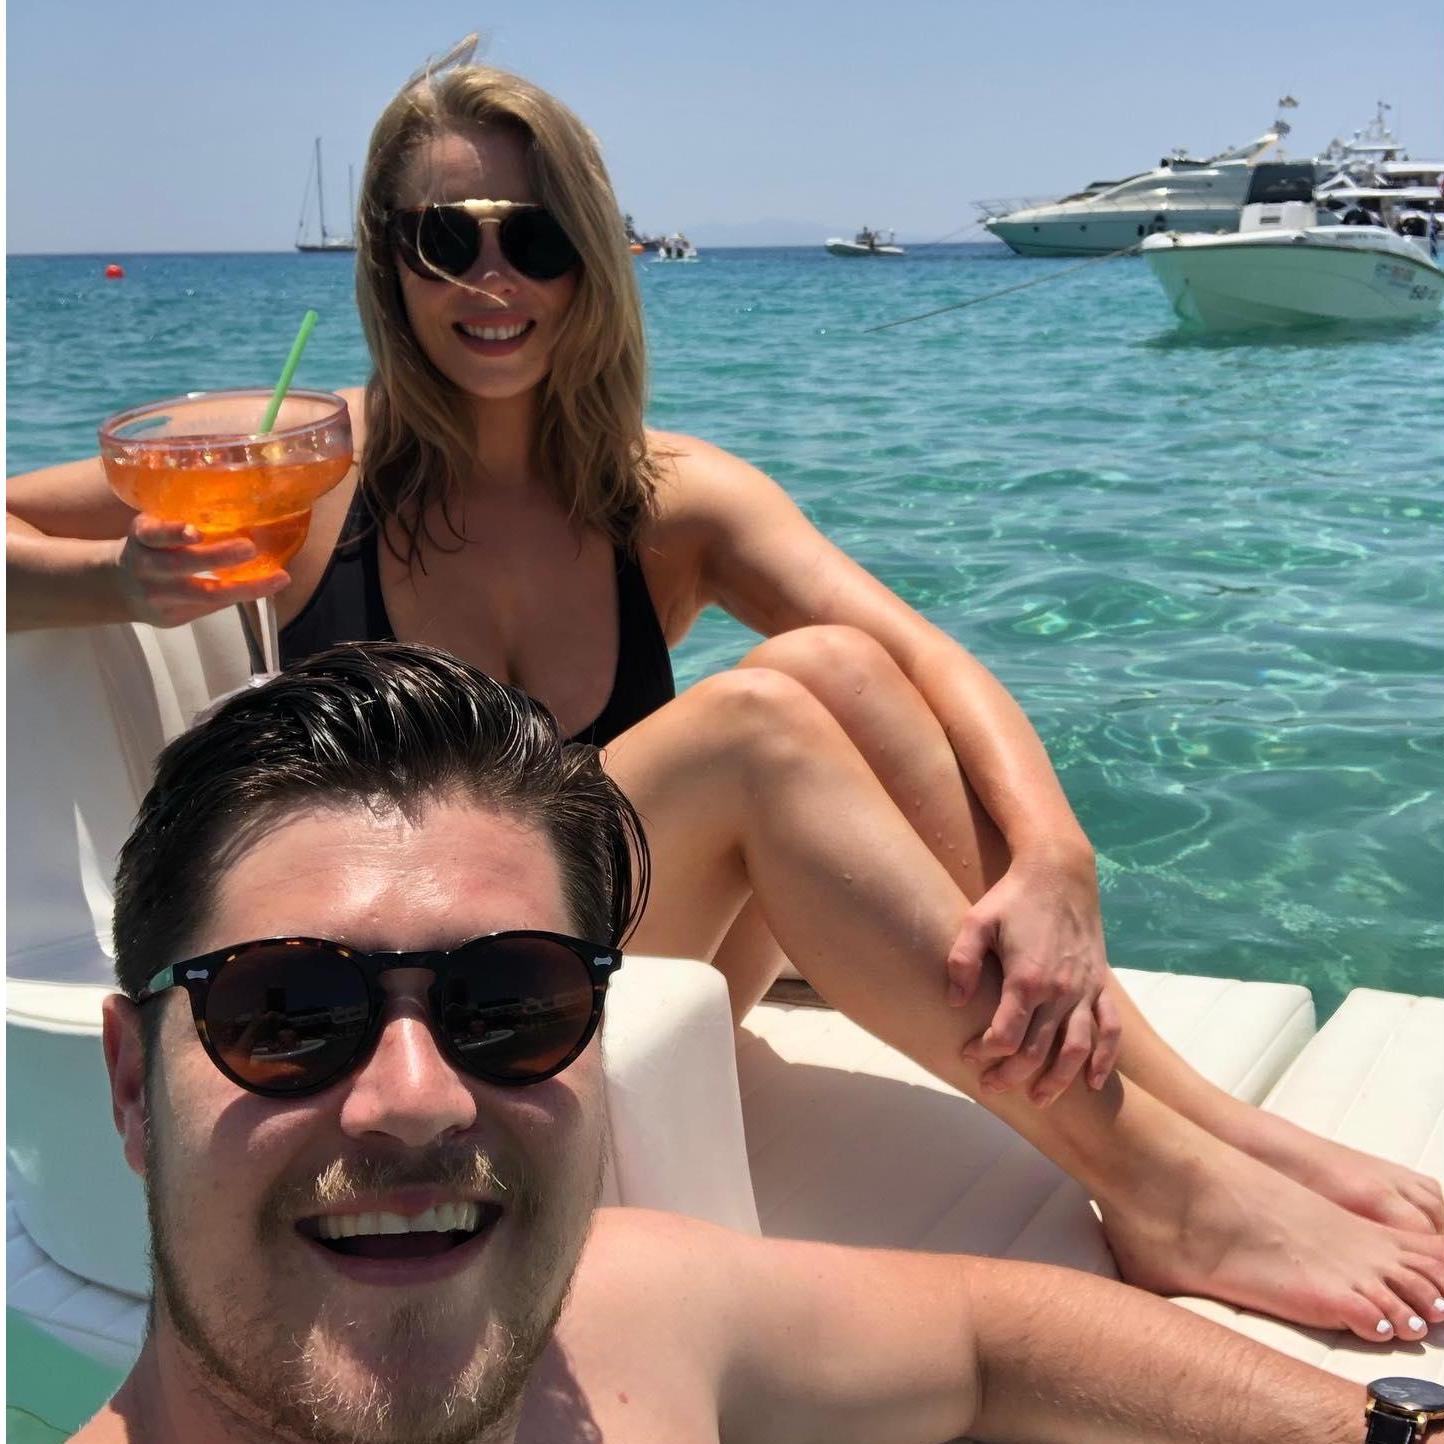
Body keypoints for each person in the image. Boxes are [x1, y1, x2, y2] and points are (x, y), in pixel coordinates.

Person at [8, 45, 1443, 1338]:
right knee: (760, 726)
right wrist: (116, 581)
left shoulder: (664, 495)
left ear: (595, 260)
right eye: (447, 239)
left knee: (836, 667)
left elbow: (926, 657)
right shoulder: (309, 463)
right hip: (409, 989)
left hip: (606, 956)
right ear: (388, 262)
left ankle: (1213, 1135)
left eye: (538, 238)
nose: (494, 282)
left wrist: (1056, 859)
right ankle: (1165, 1190)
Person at [80, 643, 1422, 1444]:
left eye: (512, 1005)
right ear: (133, 1085)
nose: (418, 1098)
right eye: (288, 1017)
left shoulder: (619, 1310)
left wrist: (1386, 1430)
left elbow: (989, 1334)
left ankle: (1188, 1152)